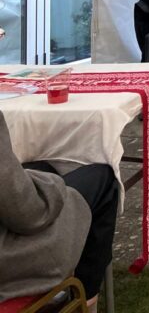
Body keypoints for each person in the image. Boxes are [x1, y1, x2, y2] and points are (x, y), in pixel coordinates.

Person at [0, 112, 118, 311]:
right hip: (7, 262)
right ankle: (83, 301)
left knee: (41, 167)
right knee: (102, 179)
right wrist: (51, 188)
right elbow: (28, 214)